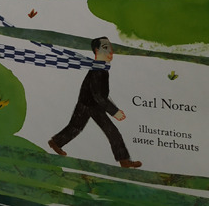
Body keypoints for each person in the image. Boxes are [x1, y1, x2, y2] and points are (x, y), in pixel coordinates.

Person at [48, 37, 142, 168]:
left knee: (77, 127)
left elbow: (102, 94)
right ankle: (124, 160)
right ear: (97, 51)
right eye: (105, 48)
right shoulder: (97, 70)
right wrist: (114, 111)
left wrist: (112, 107)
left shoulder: (101, 68)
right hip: (89, 105)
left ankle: (55, 142)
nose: (110, 51)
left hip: (90, 104)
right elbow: (98, 95)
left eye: (110, 47)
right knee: (105, 131)